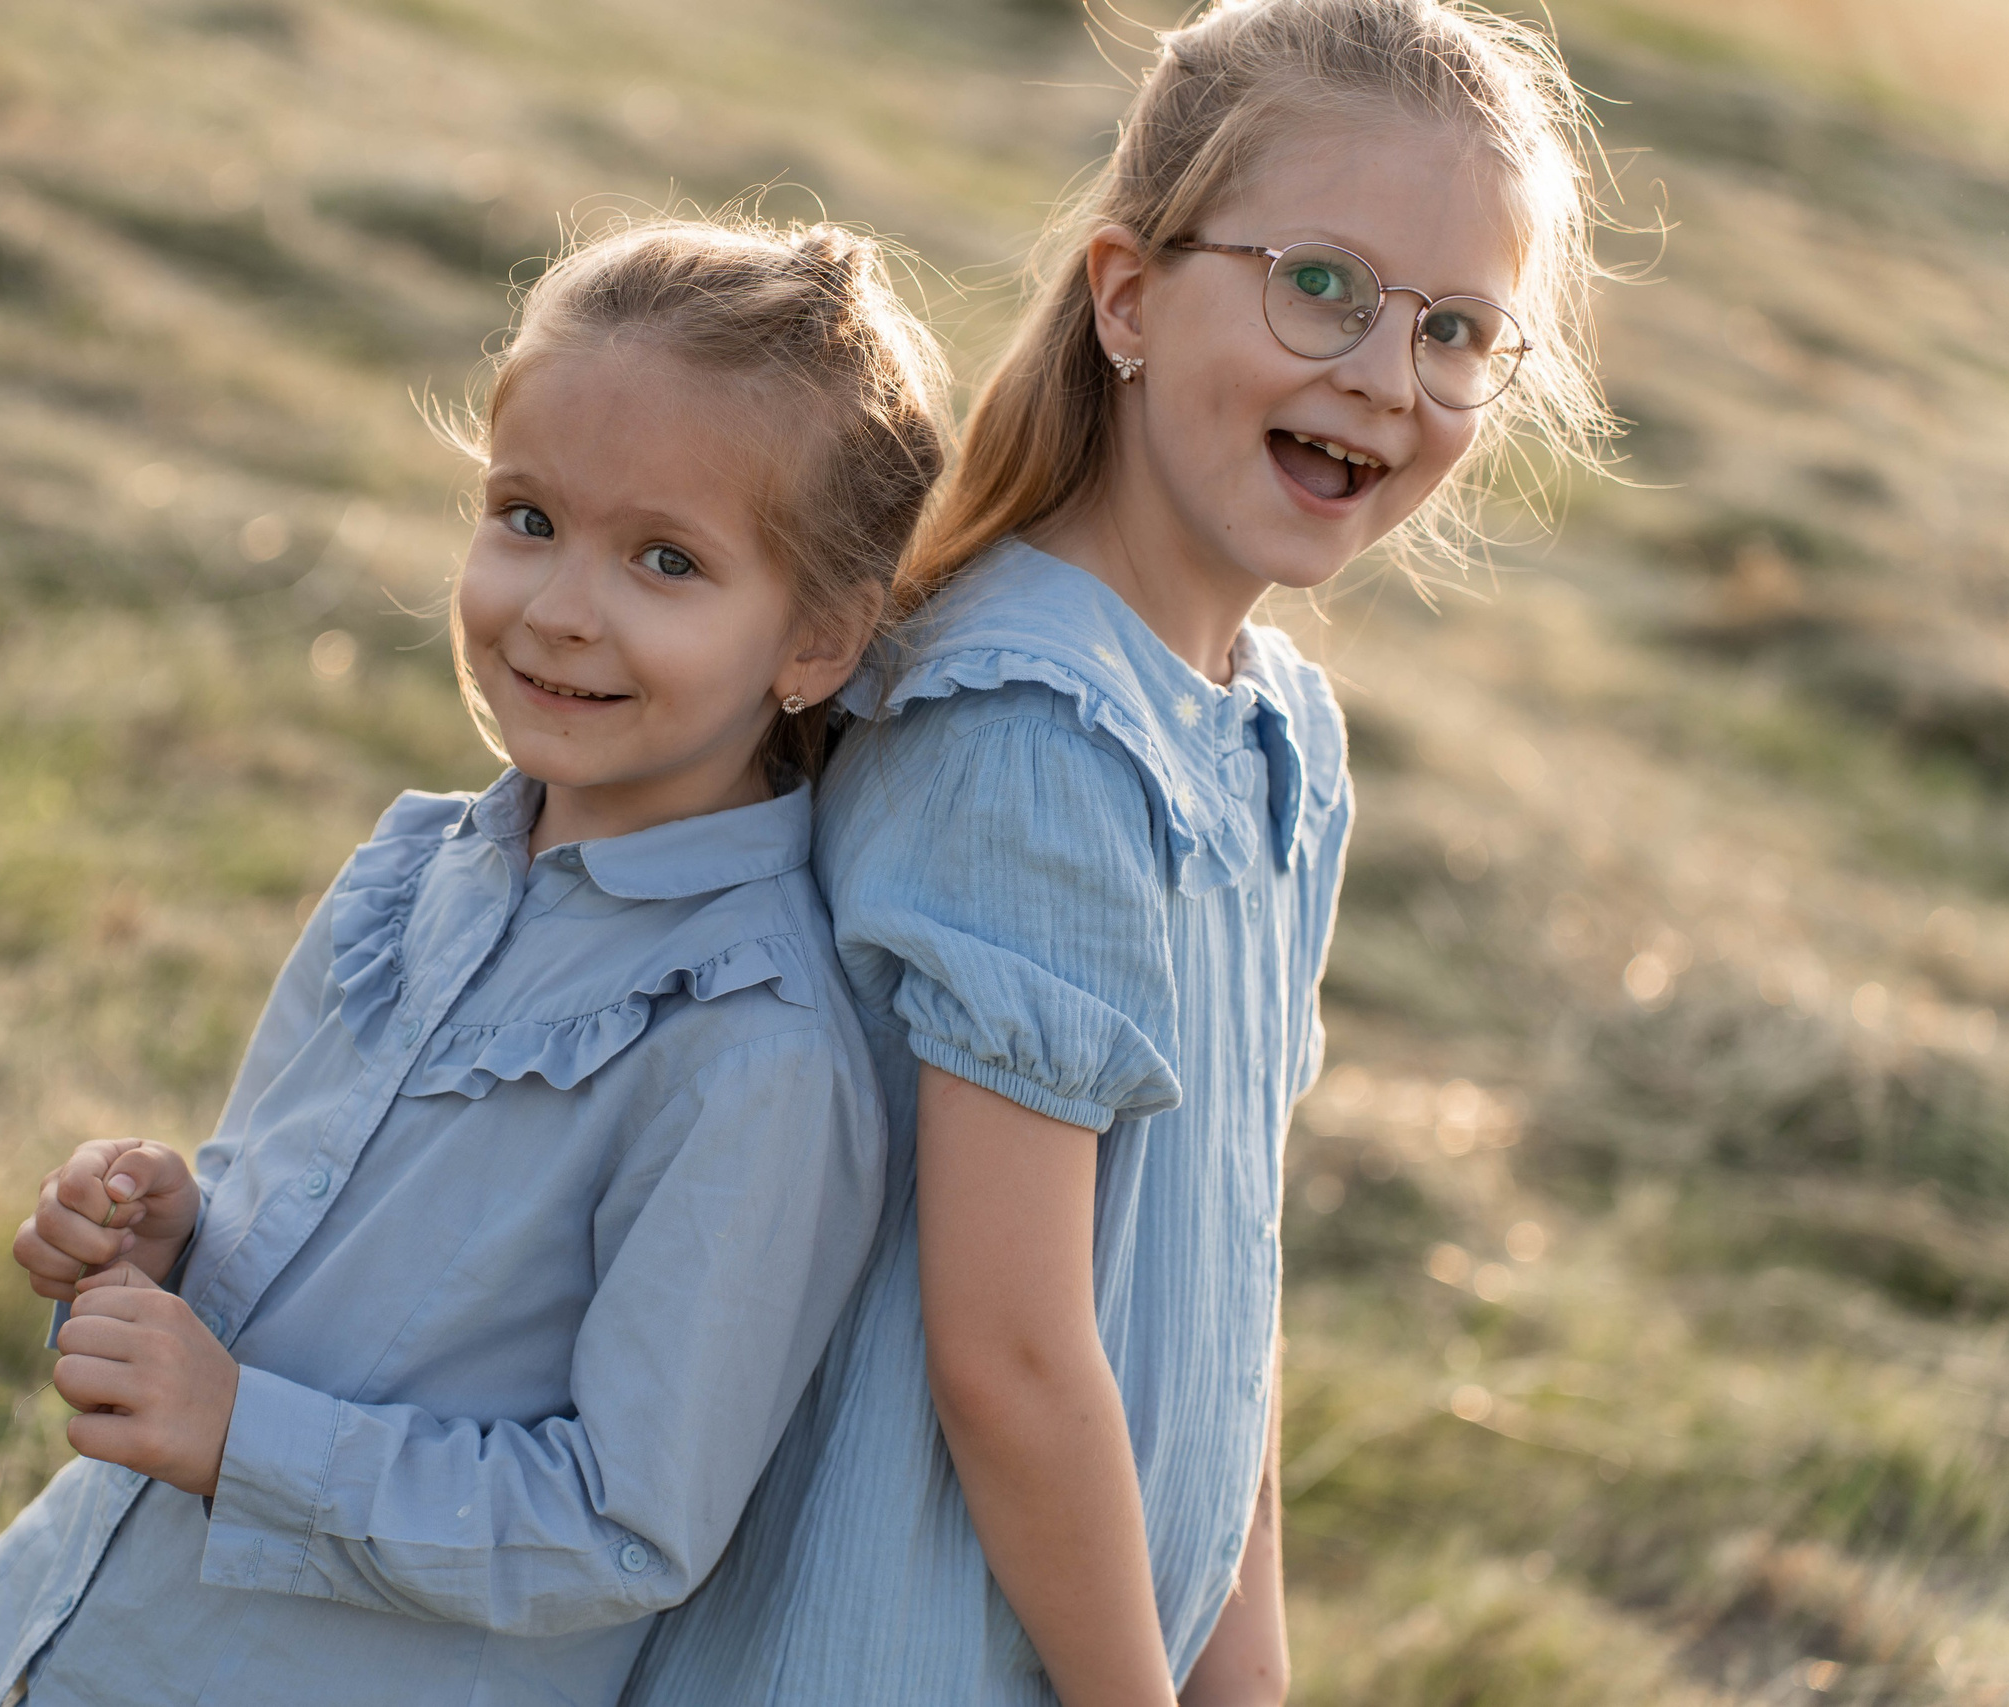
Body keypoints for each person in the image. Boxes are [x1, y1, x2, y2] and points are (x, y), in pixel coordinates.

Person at [625, 2, 1616, 1703]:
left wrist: (1246, 1675)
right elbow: (1007, 1356)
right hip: (888, 1641)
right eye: (1322, 282)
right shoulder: (1036, 734)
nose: (1383, 374)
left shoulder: (1268, 732)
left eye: (1457, 329)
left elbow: (1222, 1273)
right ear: (1129, 296)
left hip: (1084, 1636)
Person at [0, 215, 951, 1707]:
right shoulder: (411, 871)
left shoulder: (751, 1052)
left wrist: (243, 1435)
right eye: (528, 517)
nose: (559, 606)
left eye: (667, 560)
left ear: (814, 642)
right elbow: (307, 1252)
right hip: (113, 1643)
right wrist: (167, 1250)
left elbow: (622, 1524)